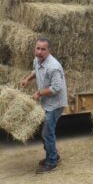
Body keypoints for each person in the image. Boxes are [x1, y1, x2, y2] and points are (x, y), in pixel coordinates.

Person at [20, 37, 68, 174]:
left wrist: (39, 93)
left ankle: (52, 161)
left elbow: (56, 88)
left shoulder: (53, 66)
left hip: (55, 103)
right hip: (46, 101)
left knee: (47, 132)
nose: (39, 51)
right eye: (38, 48)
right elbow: (35, 71)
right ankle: (53, 155)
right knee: (46, 132)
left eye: (43, 49)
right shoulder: (37, 60)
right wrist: (27, 79)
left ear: (49, 51)